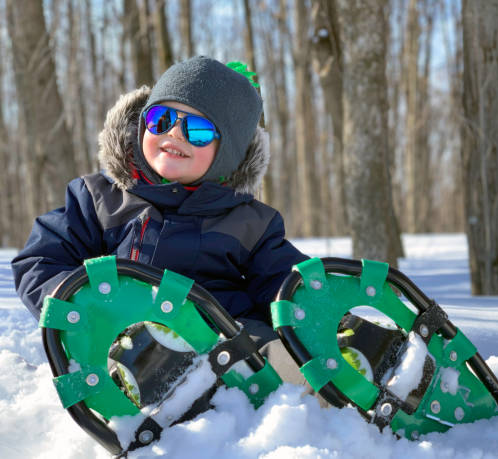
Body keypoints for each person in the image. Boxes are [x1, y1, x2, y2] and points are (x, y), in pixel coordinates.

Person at [11, 56, 311, 388]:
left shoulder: (250, 223)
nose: (174, 133)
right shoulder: (100, 200)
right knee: (120, 353)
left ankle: (334, 390)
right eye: (162, 118)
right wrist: (84, 306)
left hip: (224, 338)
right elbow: (42, 259)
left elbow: (285, 284)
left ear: (228, 152)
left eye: (197, 130)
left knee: (283, 358)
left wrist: (321, 313)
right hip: (122, 331)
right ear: (143, 125)